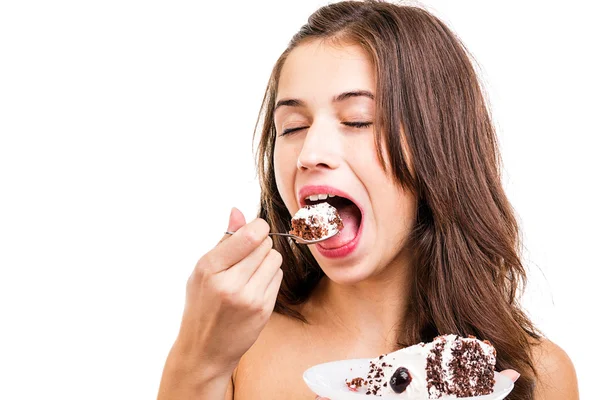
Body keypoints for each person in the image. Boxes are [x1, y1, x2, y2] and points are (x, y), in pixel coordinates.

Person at [157, 1, 579, 399]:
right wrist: (200, 360)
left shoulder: (538, 374)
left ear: (438, 148)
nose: (310, 154)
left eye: (358, 120)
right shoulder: (237, 346)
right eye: (292, 127)